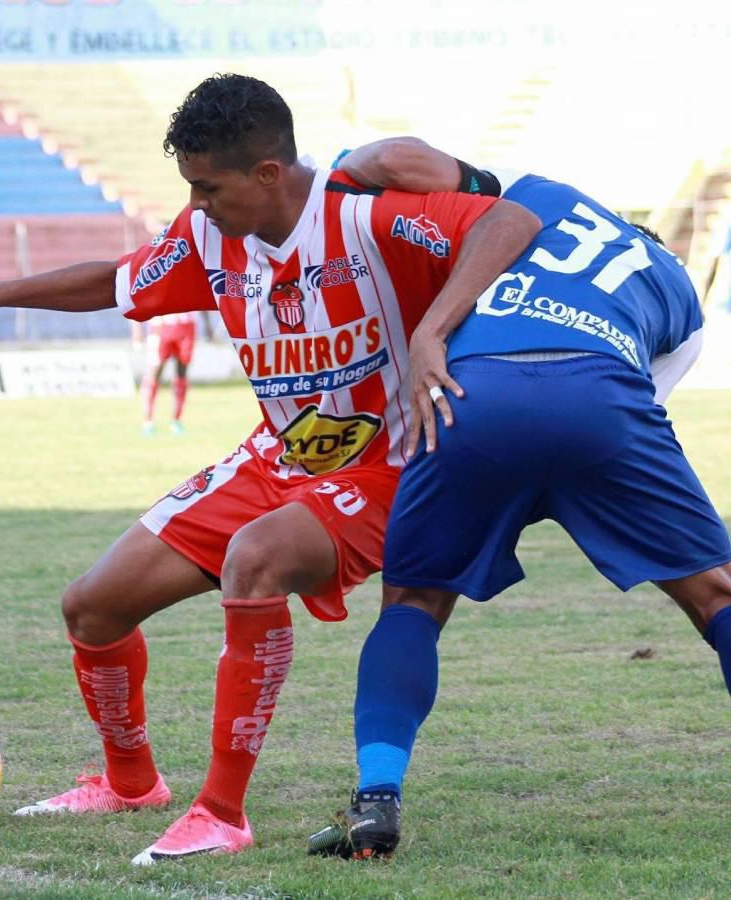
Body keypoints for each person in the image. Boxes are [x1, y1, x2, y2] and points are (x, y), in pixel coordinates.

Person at [0, 79, 539, 864]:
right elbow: (118, 280)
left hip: (394, 465)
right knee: (92, 607)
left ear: (267, 173)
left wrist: (434, 331)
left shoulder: (362, 212)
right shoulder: (208, 236)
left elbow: (510, 221)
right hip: (276, 456)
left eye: (208, 188)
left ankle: (220, 813)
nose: (196, 205)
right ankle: (130, 783)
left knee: (256, 559)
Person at [305, 138, 731, 860]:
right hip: (599, 403)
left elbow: (403, 168)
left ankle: (375, 800)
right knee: (715, 593)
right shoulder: (682, 295)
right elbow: (637, 402)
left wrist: (339, 166)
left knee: (413, 601)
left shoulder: (540, 197)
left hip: (472, 397)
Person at [133, 312, 198, 434]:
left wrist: (208, 325)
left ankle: (177, 420)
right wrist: (137, 330)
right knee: (155, 372)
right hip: (160, 325)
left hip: (186, 324)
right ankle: (148, 420)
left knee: (182, 372)